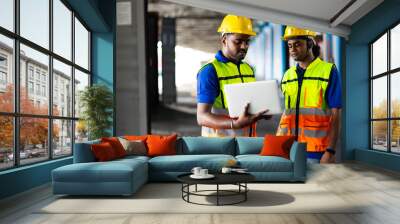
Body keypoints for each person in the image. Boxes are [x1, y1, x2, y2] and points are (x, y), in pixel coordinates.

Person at [276, 26, 342, 163]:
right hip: (288, 147)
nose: (293, 49)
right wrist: (277, 143)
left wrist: (330, 150)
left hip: (316, 151)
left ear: (310, 43)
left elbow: (336, 114)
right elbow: (286, 113)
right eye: (289, 46)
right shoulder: (287, 75)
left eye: (297, 44)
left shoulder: (328, 71)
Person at [196, 14, 270, 137]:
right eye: (238, 41)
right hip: (220, 146)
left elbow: (249, 104)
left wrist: (261, 112)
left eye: (247, 42)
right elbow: (202, 117)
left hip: (246, 144)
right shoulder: (210, 71)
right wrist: (234, 124)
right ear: (224, 40)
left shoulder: (248, 69)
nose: (244, 46)